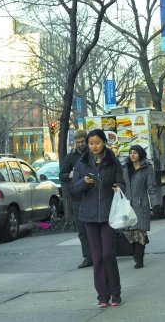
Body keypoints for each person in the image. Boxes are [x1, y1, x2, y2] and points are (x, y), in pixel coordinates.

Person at [70, 129, 126, 308]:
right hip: (89, 215)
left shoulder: (113, 161)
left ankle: (115, 292)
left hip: (109, 214)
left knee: (108, 253)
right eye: (91, 143)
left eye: (97, 143)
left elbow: (122, 182)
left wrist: (119, 187)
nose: (94, 146)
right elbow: (74, 189)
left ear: (104, 143)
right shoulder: (82, 163)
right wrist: (83, 183)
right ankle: (102, 295)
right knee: (97, 256)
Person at [122, 145, 161, 269]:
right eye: (130, 153)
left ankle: (139, 258)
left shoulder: (147, 168)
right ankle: (136, 255)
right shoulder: (125, 168)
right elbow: (121, 185)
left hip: (141, 204)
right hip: (127, 205)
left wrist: (155, 204)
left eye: (135, 153)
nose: (132, 155)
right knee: (130, 234)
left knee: (139, 233)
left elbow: (151, 187)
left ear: (140, 154)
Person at [59, 129, 92, 269]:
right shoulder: (70, 157)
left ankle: (101, 254)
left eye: (83, 141)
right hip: (78, 198)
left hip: (94, 195)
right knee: (82, 230)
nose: (80, 144)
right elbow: (62, 175)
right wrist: (70, 175)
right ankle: (88, 257)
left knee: (97, 227)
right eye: (78, 142)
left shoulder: (93, 153)